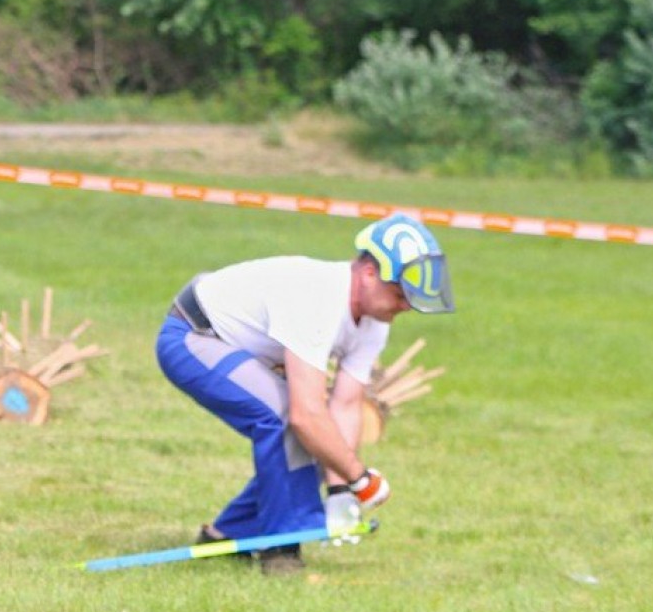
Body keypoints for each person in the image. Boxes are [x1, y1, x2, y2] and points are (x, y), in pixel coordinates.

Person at [154, 213, 454, 574]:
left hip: (236, 348)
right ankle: (281, 550)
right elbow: (305, 415)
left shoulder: (375, 323)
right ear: (369, 274)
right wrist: (362, 480)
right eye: (399, 294)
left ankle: (226, 537)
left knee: (319, 437)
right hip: (192, 336)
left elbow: (345, 405)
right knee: (287, 420)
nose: (405, 306)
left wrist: (341, 490)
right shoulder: (319, 297)